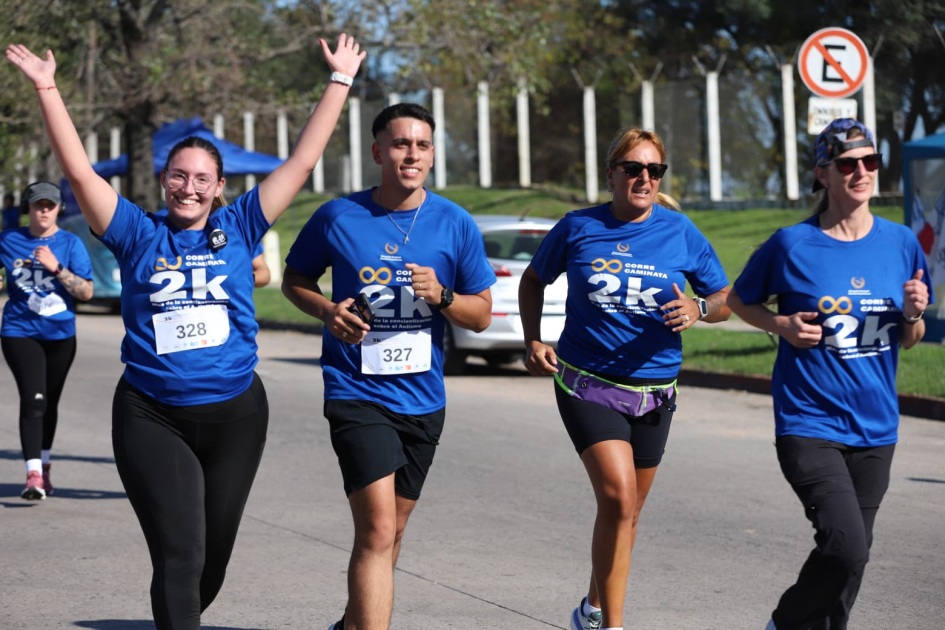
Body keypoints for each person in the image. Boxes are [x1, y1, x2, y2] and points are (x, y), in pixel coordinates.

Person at [6, 35, 364, 629]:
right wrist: (48, 88)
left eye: (202, 179)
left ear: (220, 186)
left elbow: (300, 162)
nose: (189, 187)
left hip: (236, 417)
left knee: (210, 566)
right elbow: (76, 169)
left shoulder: (242, 224)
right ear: (164, 179)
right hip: (152, 415)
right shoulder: (134, 232)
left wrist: (340, 81)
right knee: (180, 556)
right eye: (178, 176)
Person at [281, 102, 495, 630]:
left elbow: (483, 315)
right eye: (401, 144)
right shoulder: (338, 216)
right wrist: (329, 311)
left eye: (422, 145)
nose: (411, 154)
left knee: (393, 531)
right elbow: (295, 281)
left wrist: (443, 296)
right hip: (355, 390)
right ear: (378, 151)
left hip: (424, 400)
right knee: (376, 530)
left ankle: (351, 623)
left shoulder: (454, 222)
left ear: (433, 154)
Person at [519, 127, 732, 630]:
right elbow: (533, 279)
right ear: (612, 173)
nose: (644, 178)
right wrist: (533, 338)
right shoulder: (578, 227)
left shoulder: (681, 232)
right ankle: (612, 625)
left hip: (655, 391)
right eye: (633, 168)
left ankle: (590, 608)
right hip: (585, 381)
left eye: (653, 170)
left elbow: (728, 299)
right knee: (617, 497)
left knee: (627, 515)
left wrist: (699, 307)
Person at [726, 118, 933, 630]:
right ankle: (784, 623)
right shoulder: (793, 244)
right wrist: (781, 325)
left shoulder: (902, 242)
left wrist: (913, 314)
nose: (862, 172)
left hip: (876, 428)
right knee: (845, 546)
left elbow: (909, 337)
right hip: (809, 423)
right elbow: (737, 300)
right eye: (847, 164)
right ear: (823, 174)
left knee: (851, 562)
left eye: (871, 161)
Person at [0, 180, 93, 499]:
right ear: (27, 208)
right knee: (34, 399)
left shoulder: (70, 243)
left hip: (61, 335)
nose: (44, 210)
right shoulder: (8, 239)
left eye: (49, 205)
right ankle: (33, 475)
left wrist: (57, 269)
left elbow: (87, 291)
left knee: (49, 401)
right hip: (18, 331)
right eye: (38, 204)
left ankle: (46, 465)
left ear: (58, 209)